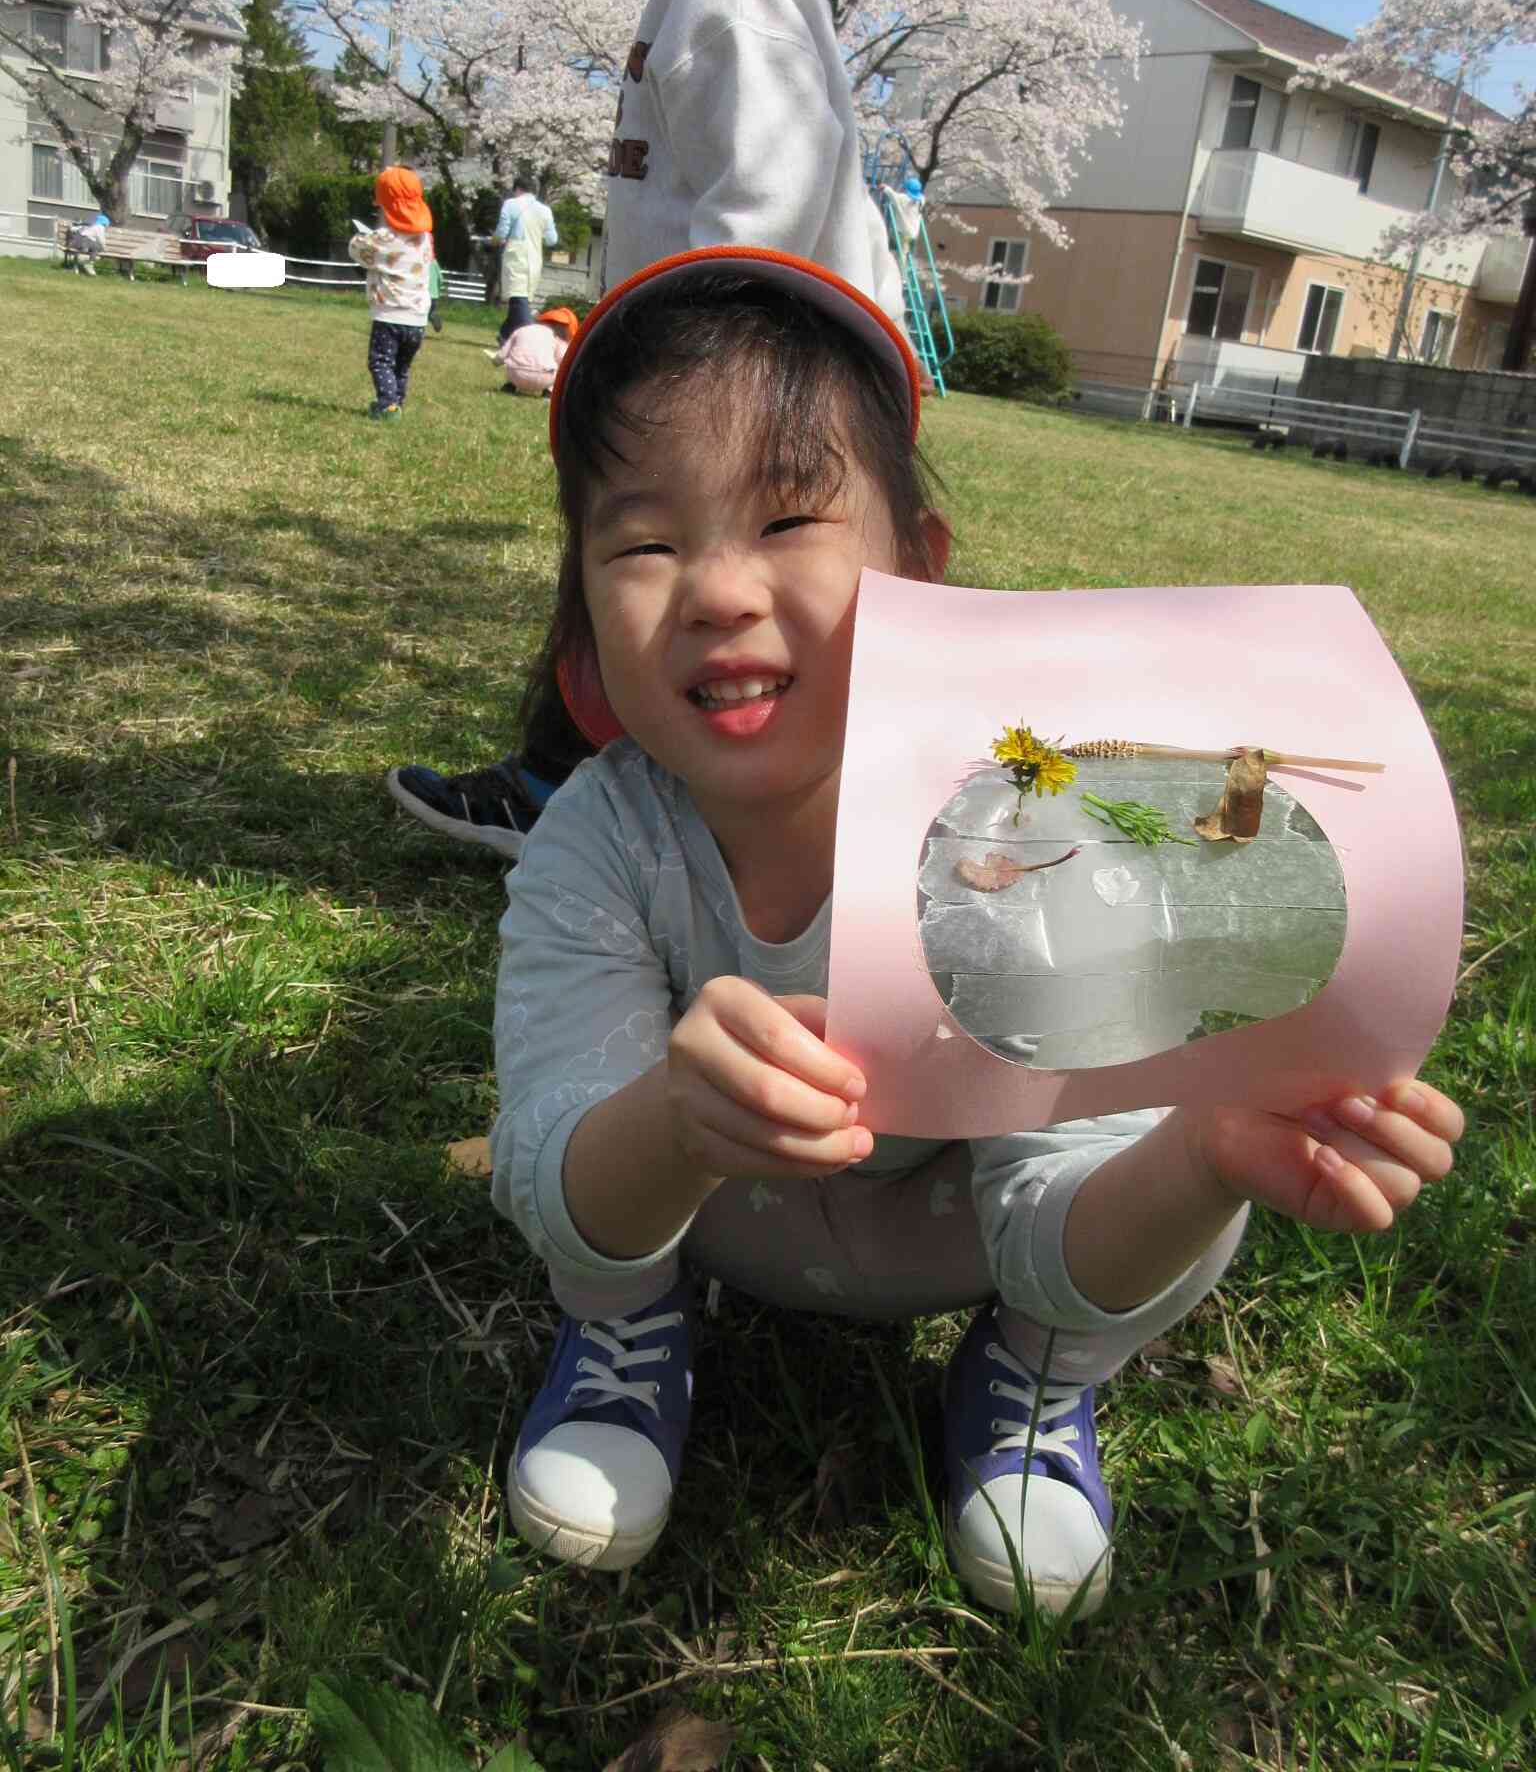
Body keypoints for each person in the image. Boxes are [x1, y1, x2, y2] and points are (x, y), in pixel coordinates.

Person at [489, 246, 1464, 1614]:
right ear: (582, 625)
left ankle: (1030, 1383)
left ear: (920, 580)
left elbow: (1058, 1204)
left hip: (972, 1241)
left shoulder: (1022, 825)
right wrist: (672, 1121)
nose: (714, 589)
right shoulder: (603, 836)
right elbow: (546, 1172)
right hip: (714, 1222)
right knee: (598, 1228)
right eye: (644, 543)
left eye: (783, 522)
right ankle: (623, 1339)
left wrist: (1202, 1166)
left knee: (1188, 1184)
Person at [387, 0, 908, 858]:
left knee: (662, 589)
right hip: (729, 381)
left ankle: (575, 792)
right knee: (636, 586)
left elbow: (770, 174)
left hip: (747, 388)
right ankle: (600, 794)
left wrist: (687, 373)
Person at [349, 167, 435, 421]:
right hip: (418, 318)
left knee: (380, 362)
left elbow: (356, 249)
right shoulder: (425, 239)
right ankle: (397, 402)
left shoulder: (383, 240)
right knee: (401, 366)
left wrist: (361, 235)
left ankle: (387, 405)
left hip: (390, 315)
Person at [495, 173, 560, 342]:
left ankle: (526, 337)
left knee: (518, 298)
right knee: (521, 299)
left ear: (517, 189)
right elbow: (552, 240)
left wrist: (495, 240)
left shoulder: (510, 204)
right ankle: (504, 335)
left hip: (516, 254)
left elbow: (501, 233)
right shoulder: (545, 210)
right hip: (535, 257)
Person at [485, 305, 579, 395]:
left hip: (516, 374)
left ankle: (510, 386)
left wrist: (496, 361)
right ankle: (548, 391)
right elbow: (563, 360)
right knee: (555, 368)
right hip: (544, 378)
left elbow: (503, 354)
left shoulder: (521, 330)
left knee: (514, 362)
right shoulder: (555, 339)